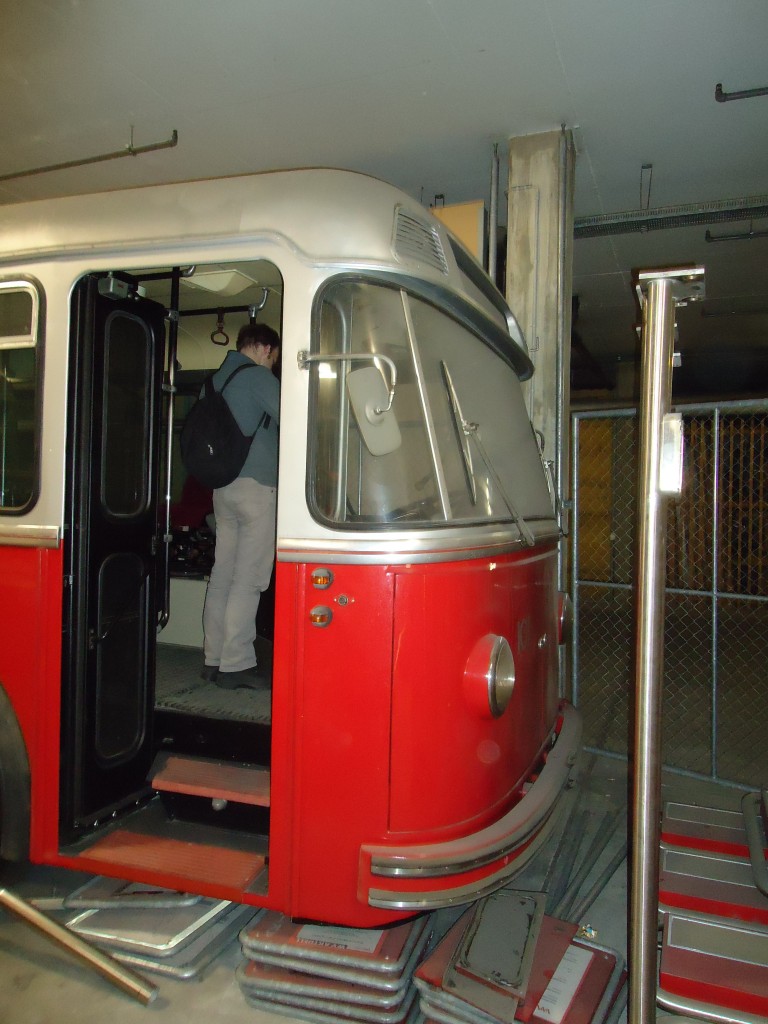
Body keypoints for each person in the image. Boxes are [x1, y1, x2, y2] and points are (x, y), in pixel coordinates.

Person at [200, 322, 280, 689]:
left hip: (223, 488)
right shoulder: (258, 378)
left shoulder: (216, 379)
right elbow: (295, 424)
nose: (271, 364)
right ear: (264, 348)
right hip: (256, 488)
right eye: (273, 357)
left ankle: (213, 658)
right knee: (248, 579)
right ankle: (237, 664)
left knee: (222, 575)